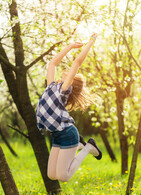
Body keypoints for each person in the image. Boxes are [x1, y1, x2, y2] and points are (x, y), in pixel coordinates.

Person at [36, 33, 102, 182]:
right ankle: (78, 145)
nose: (66, 74)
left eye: (71, 76)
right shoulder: (51, 86)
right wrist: (70, 46)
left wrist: (91, 41)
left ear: (71, 82)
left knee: (63, 177)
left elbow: (77, 63)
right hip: (57, 134)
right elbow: (53, 63)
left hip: (67, 133)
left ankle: (88, 147)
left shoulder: (63, 90)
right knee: (51, 175)